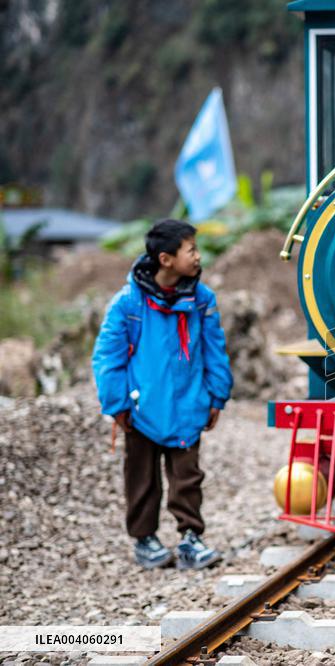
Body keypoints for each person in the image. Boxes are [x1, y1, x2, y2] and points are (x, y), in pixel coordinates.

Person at [92, 219, 233, 569]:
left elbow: (215, 349)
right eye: (191, 250)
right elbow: (108, 356)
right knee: (141, 476)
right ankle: (144, 538)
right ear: (166, 259)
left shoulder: (201, 300)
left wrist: (217, 395)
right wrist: (117, 403)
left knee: (188, 477)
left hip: (189, 404)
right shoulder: (128, 303)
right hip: (140, 409)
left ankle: (190, 537)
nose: (198, 257)